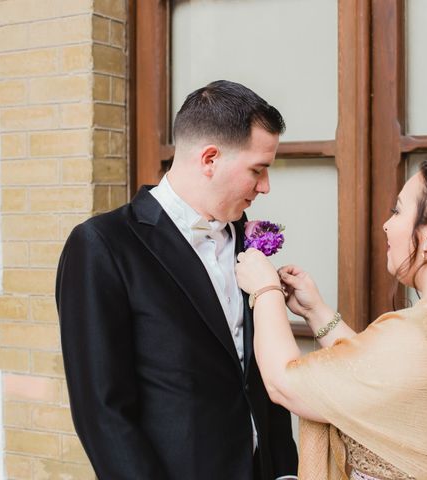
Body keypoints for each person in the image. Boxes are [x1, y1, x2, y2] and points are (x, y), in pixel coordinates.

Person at [236, 157, 427, 480]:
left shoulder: (418, 336)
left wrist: (265, 289)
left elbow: (285, 384)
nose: (386, 224)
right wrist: (315, 311)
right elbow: (383, 376)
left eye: (397, 211)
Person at [56, 80, 298, 480]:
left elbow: (255, 371)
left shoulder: (243, 238)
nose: (265, 186)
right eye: (258, 170)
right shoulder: (103, 245)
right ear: (209, 159)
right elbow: (102, 412)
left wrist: (284, 471)